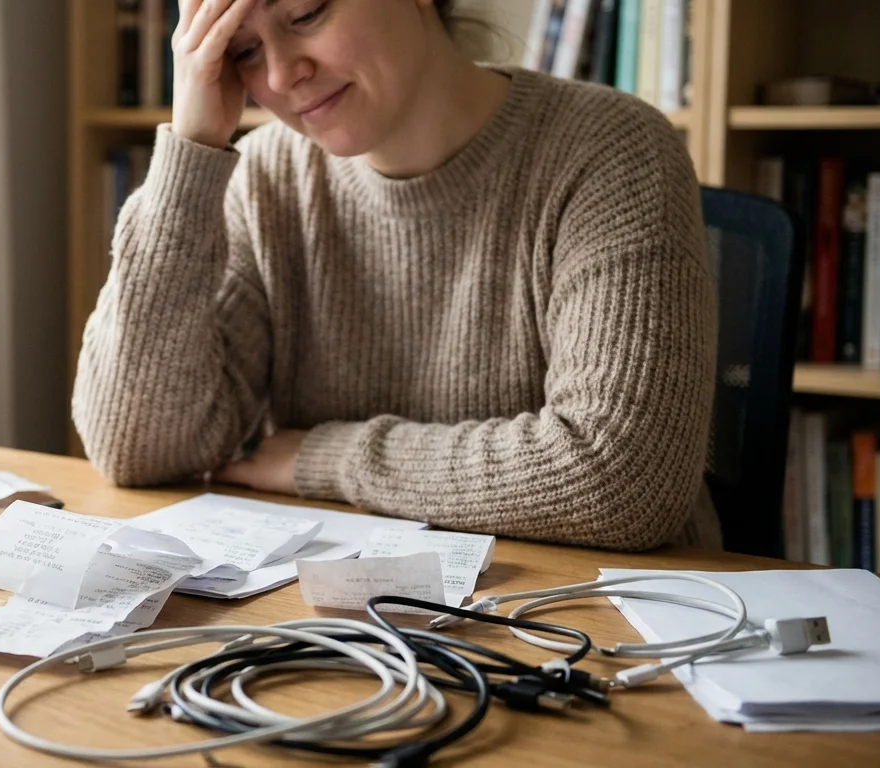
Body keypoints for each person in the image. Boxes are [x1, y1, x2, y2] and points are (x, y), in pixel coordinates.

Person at [72, 0, 721, 551]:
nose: (279, 74)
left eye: (305, 13)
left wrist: (325, 459)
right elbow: (137, 447)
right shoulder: (264, 180)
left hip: (601, 640)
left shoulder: (611, 149)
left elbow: (624, 480)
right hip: (365, 633)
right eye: (240, 52)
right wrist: (192, 150)